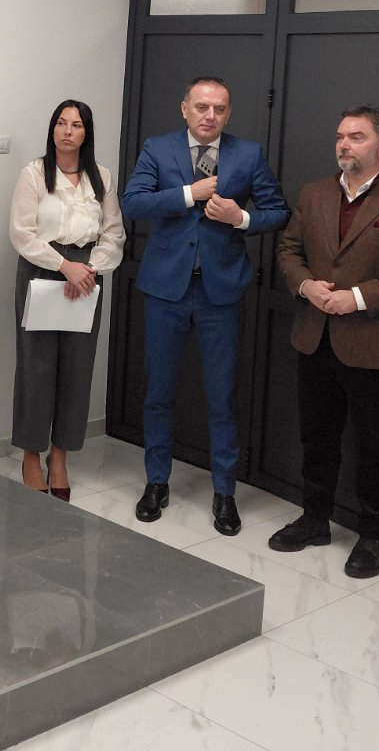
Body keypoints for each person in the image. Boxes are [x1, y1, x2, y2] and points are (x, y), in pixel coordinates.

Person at [271, 106, 379, 578]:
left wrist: (357, 298)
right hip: (315, 337)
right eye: (341, 136)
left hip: (377, 344)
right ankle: (314, 520)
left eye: (357, 137)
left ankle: (372, 537)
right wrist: (305, 285)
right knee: (317, 437)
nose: (344, 144)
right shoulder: (314, 193)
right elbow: (289, 249)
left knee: (377, 446)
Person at [121, 77, 289, 535]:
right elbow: (132, 203)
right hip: (166, 292)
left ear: (228, 113)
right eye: (201, 107)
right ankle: (156, 482)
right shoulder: (158, 149)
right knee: (159, 392)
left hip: (222, 294)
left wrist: (242, 218)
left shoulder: (248, 154)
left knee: (222, 396)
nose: (210, 115)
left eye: (219, 108)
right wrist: (187, 195)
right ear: (185, 109)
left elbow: (279, 211)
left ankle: (224, 493)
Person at [8, 99, 125, 502]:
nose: (67, 131)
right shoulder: (34, 173)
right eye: (61, 123)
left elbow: (114, 233)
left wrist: (89, 268)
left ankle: (59, 457)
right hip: (42, 269)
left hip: (87, 275)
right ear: (53, 129)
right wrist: (64, 266)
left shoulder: (101, 177)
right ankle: (30, 455)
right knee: (37, 367)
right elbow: (22, 234)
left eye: (76, 125)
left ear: (86, 133)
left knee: (77, 369)